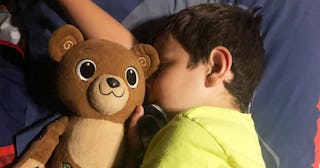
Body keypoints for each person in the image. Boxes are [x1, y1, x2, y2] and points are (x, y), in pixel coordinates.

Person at [57, 1, 266, 167]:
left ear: (216, 67)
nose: (147, 82)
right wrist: (138, 155)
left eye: (163, 66)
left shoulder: (190, 133)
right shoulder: (243, 140)